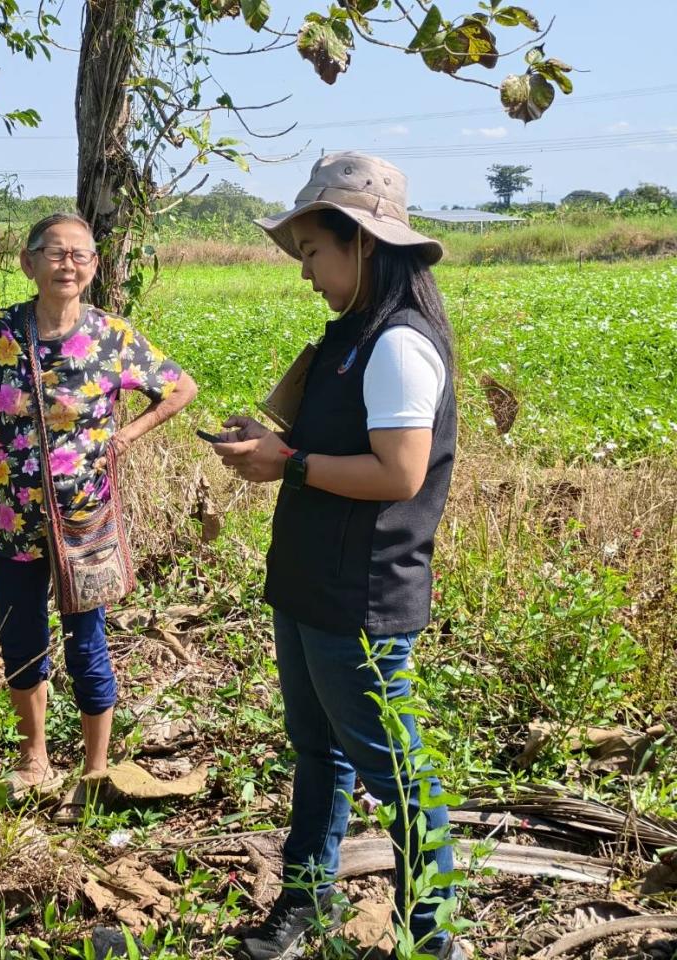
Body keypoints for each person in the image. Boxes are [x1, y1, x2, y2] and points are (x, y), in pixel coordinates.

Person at [211, 153, 463, 960]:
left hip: (359, 597)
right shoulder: (350, 339)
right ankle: (307, 902)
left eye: (314, 251)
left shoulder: (397, 346)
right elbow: (326, 451)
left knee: (397, 775)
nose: (306, 272)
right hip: (310, 585)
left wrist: (289, 464)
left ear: (361, 243)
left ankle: (434, 938)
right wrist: (276, 448)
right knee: (317, 752)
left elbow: (398, 472)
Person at [0, 212, 198, 813]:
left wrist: (129, 434)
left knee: (87, 643)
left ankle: (94, 769)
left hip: (86, 524)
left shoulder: (113, 336)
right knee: (22, 639)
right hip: (14, 522)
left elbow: (180, 387)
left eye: (81, 255)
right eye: (55, 253)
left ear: (93, 267)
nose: (68, 264)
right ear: (28, 262)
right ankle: (34, 758)